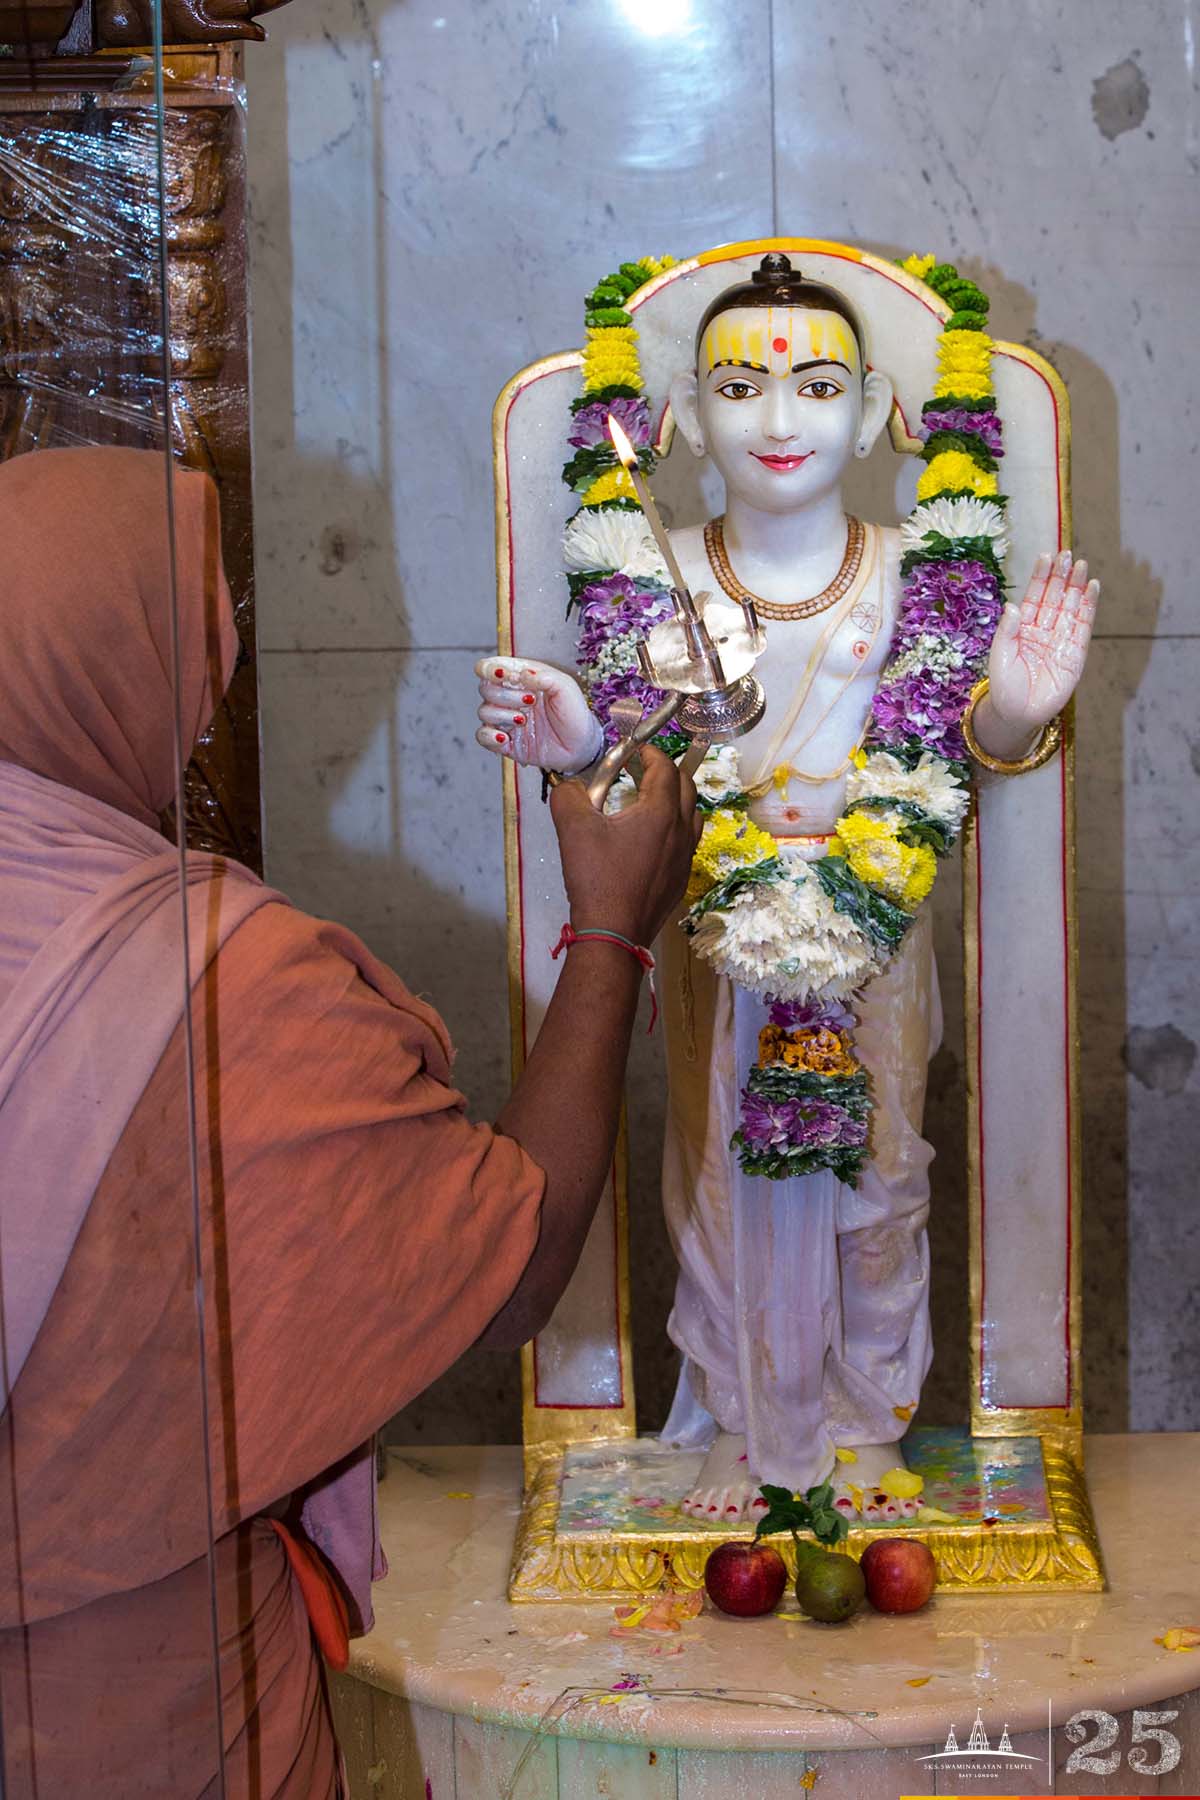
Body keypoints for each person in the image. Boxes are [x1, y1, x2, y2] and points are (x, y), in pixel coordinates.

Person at [0, 446, 697, 1798]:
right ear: (119, 666)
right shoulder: (216, 985)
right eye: (203, 628)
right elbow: (510, 1259)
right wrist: (613, 923)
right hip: (128, 1696)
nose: (218, 673)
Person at [476, 254, 1098, 1523]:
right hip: (717, 918)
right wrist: (578, 740)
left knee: (883, 1175)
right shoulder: (663, 573)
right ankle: (739, 1418)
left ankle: (866, 1421)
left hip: (875, 924)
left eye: (815, 388)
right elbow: (639, 754)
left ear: (871, 416)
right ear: (689, 418)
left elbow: (958, 744)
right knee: (716, 1174)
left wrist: (1018, 708)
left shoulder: (912, 572)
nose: (778, 419)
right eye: (740, 389)